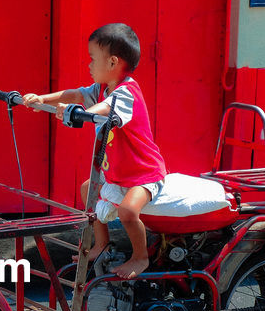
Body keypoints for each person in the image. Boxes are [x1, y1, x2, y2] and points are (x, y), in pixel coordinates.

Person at [24, 23, 167, 279]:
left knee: (128, 212)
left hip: (144, 174)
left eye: (92, 59)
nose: (88, 65)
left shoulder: (126, 93)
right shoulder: (102, 88)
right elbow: (76, 95)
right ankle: (101, 244)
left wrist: (79, 115)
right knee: (86, 190)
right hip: (118, 174)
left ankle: (140, 256)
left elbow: (104, 110)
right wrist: (44, 99)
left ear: (113, 62)